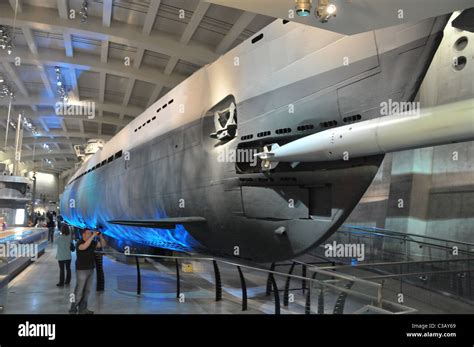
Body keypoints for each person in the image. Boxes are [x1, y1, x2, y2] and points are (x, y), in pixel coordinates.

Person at [69, 229, 106, 314]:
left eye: (90, 233)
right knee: (78, 291)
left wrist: (100, 235)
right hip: (81, 270)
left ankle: (83, 309)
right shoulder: (79, 242)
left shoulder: (92, 243)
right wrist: (93, 235)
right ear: (83, 235)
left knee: (87, 291)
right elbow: (84, 247)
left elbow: (102, 244)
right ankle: (72, 310)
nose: (90, 234)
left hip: (90, 269)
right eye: (88, 233)